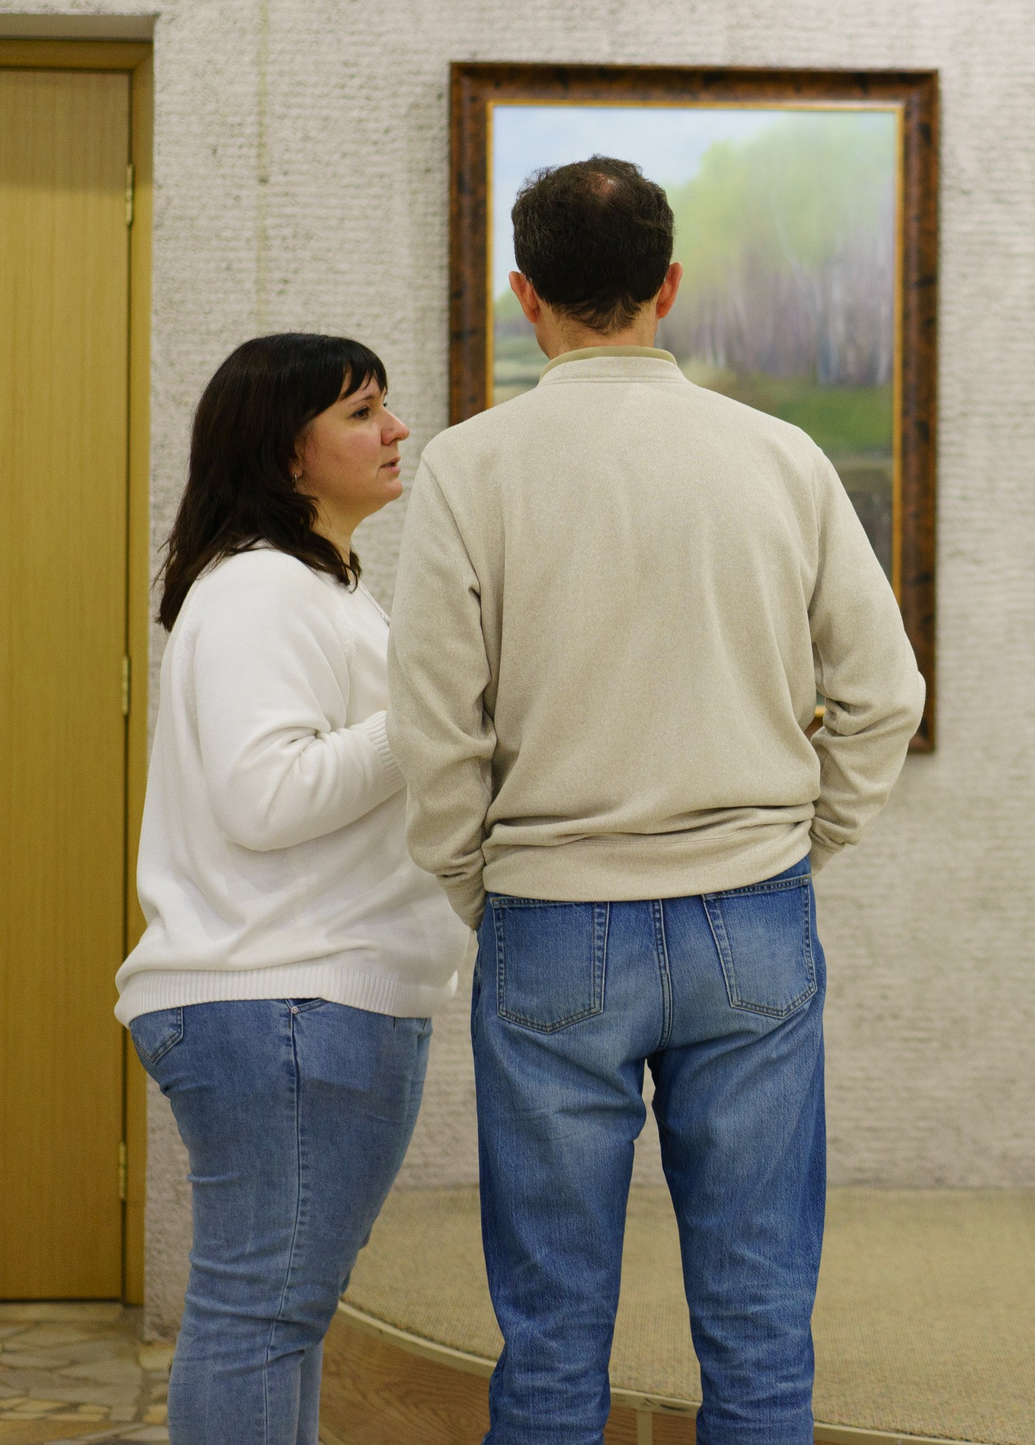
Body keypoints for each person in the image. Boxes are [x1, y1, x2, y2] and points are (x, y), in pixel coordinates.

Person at [389, 156, 923, 1445]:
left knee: (551, 1334)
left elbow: (435, 725)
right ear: (668, 285)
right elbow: (884, 693)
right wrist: (803, 841)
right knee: (759, 1322)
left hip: (548, 914)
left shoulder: (469, 466)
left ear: (526, 294)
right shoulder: (780, 456)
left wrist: (477, 879)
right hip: (752, 911)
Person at [115, 334, 468, 1445]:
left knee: (278, 1314)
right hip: (283, 1000)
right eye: (362, 412)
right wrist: (428, 717)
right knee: (261, 1314)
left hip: (299, 1000)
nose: (396, 429)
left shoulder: (320, 587)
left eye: (385, 406)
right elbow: (267, 798)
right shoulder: (263, 587)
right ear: (288, 454)